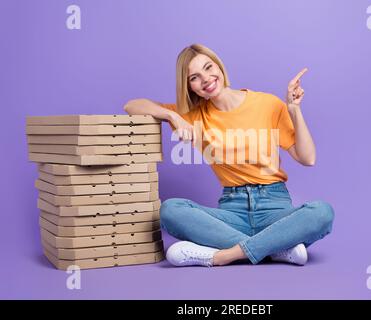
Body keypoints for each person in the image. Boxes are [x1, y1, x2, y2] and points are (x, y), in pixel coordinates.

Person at [123, 44, 334, 267]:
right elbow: (132, 106)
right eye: (195, 77)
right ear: (190, 87)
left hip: (275, 207)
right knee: (170, 210)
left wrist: (294, 109)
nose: (206, 79)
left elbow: (307, 158)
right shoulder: (194, 116)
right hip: (232, 213)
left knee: (322, 213)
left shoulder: (267, 104)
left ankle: (222, 256)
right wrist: (171, 116)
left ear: (219, 66)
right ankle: (276, 249)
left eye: (208, 67)